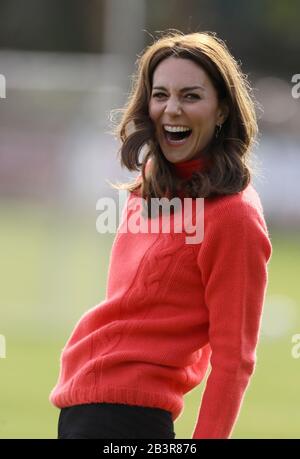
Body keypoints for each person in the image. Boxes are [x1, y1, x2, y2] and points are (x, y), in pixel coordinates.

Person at [50, 30, 272, 439]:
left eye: (190, 96)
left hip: (126, 420)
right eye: (160, 95)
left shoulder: (234, 216)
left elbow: (235, 358)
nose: (172, 109)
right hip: (81, 405)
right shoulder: (149, 186)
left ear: (222, 110)